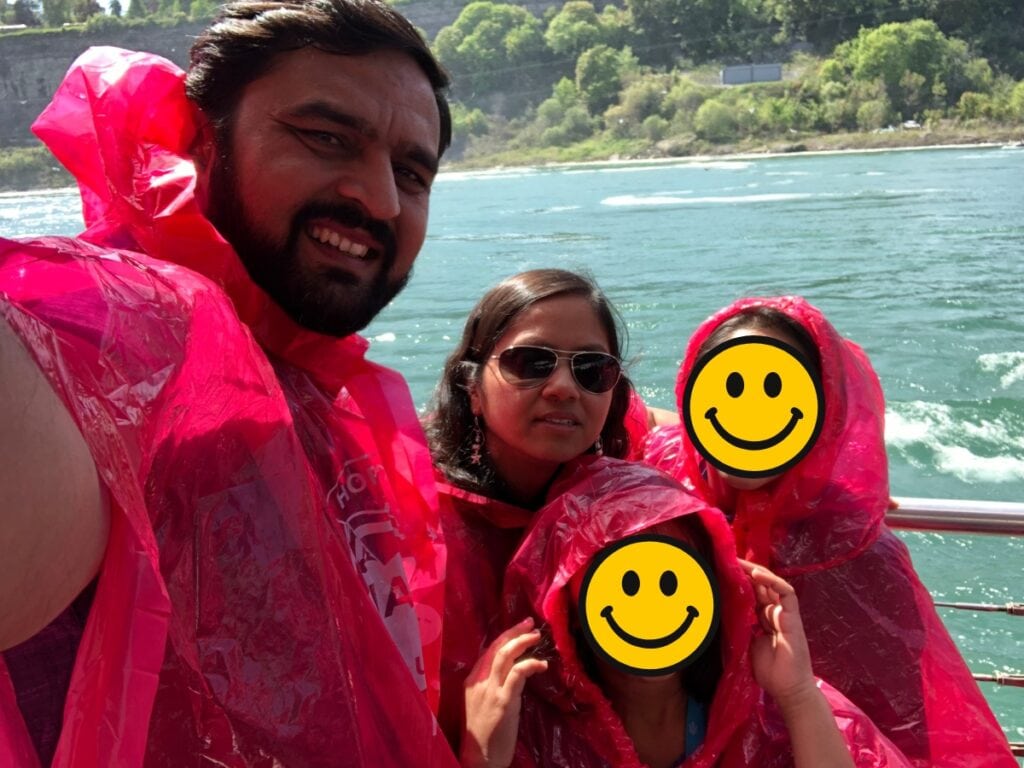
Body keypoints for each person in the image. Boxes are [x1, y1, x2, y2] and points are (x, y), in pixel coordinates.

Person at [0, 1, 459, 765]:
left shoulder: (315, 384)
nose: (378, 200)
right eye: (325, 138)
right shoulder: (118, 328)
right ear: (201, 141)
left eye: (411, 173)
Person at [643, 296, 1017, 768]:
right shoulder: (657, 481)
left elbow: (909, 736)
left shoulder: (856, 556)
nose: (751, 418)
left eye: (775, 393)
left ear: (825, 410)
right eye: (731, 389)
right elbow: (635, 414)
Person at [475, 459, 915, 768]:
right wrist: (484, 759)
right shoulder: (527, 720)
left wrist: (798, 696)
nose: (649, 607)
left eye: (672, 582)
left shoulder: (761, 702)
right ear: (566, 602)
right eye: (625, 584)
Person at [424, 268, 634, 749]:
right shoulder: (412, 518)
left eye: (592, 369)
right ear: (472, 389)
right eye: (531, 363)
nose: (564, 387)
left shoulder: (625, 501)